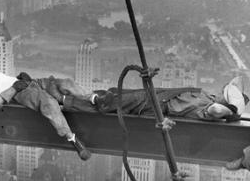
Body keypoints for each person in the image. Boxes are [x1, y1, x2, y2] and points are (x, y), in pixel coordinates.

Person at [0, 49, 99, 161]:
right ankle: (73, 139)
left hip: (31, 83)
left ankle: (93, 98)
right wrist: (15, 88)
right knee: (49, 103)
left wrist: (19, 78)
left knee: (65, 83)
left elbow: (5, 80)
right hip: (22, 93)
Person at [46, 76, 248, 122]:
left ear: (225, 100)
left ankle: (64, 99)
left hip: (154, 106)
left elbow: (216, 112)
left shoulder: (209, 108)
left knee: (107, 104)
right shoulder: (206, 95)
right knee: (111, 96)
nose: (222, 90)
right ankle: (66, 99)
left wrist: (231, 111)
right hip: (153, 96)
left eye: (226, 93)